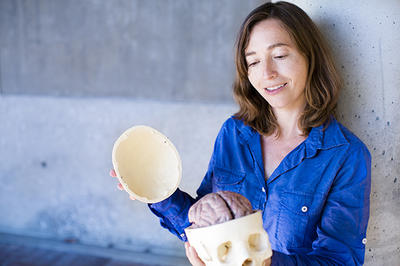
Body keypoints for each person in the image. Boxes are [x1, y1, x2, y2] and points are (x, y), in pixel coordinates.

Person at [111, 1, 371, 265]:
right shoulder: (234, 133)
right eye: (254, 62)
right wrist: (156, 191)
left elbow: (340, 260)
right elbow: (208, 223)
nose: (267, 73)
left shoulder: (346, 156)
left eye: (279, 56)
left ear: (310, 57)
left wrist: (264, 263)